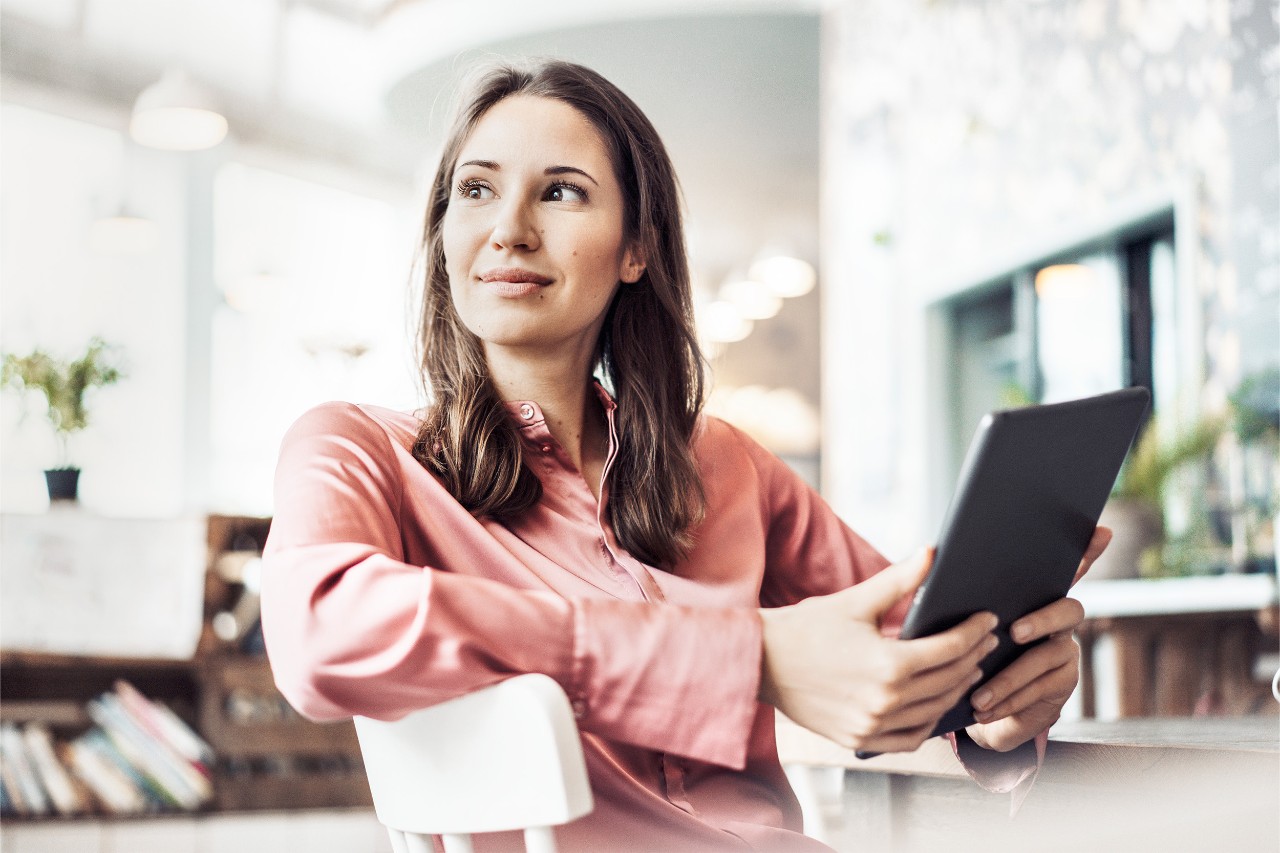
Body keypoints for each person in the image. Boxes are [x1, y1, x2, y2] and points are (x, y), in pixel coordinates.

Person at [261, 59, 1107, 852]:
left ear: (638, 248)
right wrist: (747, 656)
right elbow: (320, 628)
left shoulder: (726, 463)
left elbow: (909, 639)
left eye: (560, 192)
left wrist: (998, 701)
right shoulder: (355, 447)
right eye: (475, 189)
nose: (509, 229)